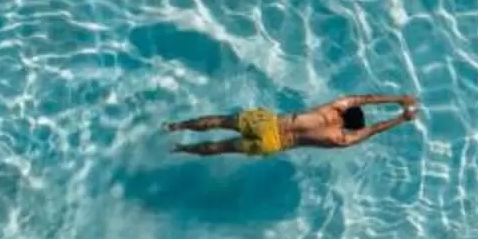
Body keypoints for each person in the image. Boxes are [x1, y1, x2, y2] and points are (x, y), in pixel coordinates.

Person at [167, 94, 420, 157]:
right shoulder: (341, 139)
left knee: (221, 121)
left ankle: (177, 126)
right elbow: (371, 130)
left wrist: (399, 99)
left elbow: (363, 99)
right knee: (221, 147)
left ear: (346, 111)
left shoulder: (331, 109)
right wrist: (400, 120)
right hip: (274, 143)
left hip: (268, 123)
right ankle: (181, 149)